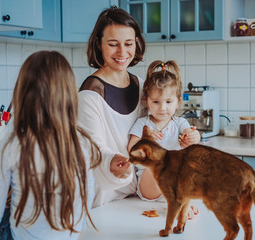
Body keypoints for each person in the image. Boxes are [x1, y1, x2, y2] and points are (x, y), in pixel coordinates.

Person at [78, 6, 201, 208]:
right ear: (99, 44)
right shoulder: (89, 95)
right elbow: (92, 150)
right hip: (105, 201)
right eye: (112, 44)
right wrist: (112, 160)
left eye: (128, 43)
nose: (122, 52)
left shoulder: (143, 86)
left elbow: (159, 130)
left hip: (138, 198)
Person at [0, 50, 101, 240]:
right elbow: (88, 190)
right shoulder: (80, 141)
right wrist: (77, 230)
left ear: (22, 94)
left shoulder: (13, 145)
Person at [127, 60, 200, 218]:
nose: (162, 108)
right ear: (147, 101)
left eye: (168, 102)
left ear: (178, 102)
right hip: (149, 187)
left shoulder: (180, 123)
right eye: (155, 102)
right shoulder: (143, 124)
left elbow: (191, 134)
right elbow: (132, 150)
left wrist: (193, 136)